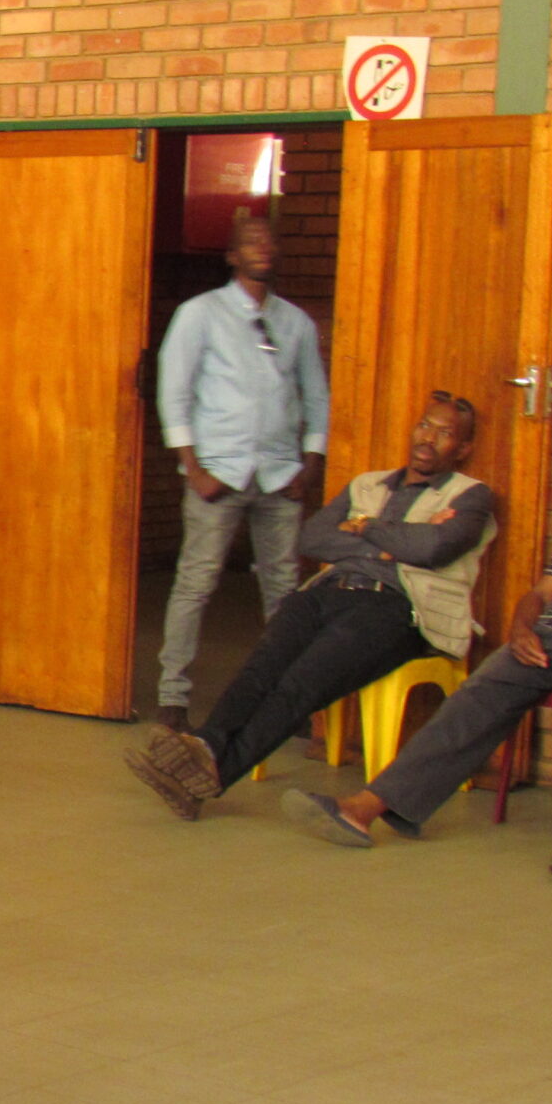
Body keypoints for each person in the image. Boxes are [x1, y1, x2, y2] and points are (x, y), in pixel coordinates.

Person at [124, 392, 496, 817]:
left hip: (398, 607)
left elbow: (436, 548)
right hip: (329, 589)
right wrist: (391, 545)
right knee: (264, 663)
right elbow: (315, 538)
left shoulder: (471, 497)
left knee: (301, 682)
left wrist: (365, 527)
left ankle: (207, 776)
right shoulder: (368, 483)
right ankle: (206, 747)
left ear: (463, 449)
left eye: (445, 433)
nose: (429, 438)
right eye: (425, 425)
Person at [282, 452, 552, 881]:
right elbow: (544, 591)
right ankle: (364, 809)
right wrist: (522, 628)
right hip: (550, 636)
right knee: (479, 692)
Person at [153, 214, 331, 728]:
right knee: (196, 583)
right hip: (219, 475)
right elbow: (175, 392)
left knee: (283, 590)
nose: (263, 247)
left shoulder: (295, 322)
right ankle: (173, 697)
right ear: (232, 256)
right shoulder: (200, 314)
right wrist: (193, 467)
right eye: (251, 242)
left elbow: (316, 397)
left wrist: (309, 464)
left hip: (279, 476)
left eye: (270, 239)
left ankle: (281, 698)